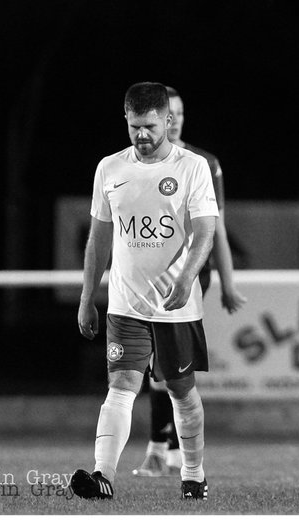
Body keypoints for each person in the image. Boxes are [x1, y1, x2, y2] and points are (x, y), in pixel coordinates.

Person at [71, 82, 218, 500]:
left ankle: (193, 472)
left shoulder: (193, 167)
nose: (142, 135)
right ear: (126, 119)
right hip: (125, 305)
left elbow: (206, 230)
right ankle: (103, 476)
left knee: (181, 391)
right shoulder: (109, 168)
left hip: (177, 307)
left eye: (150, 126)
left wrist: (188, 277)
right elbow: (99, 240)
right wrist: (87, 298)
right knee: (121, 386)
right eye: (135, 126)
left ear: (168, 120)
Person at [132, 86, 248, 478]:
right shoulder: (137, 163)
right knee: (158, 365)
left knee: (170, 366)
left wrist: (229, 283)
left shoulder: (203, 163)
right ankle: (162, 447)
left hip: (192, 279)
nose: (176, 119)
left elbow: (217, 228)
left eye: (180, 112)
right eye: (171, 112)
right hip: (149, 279)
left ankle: (168, 450)